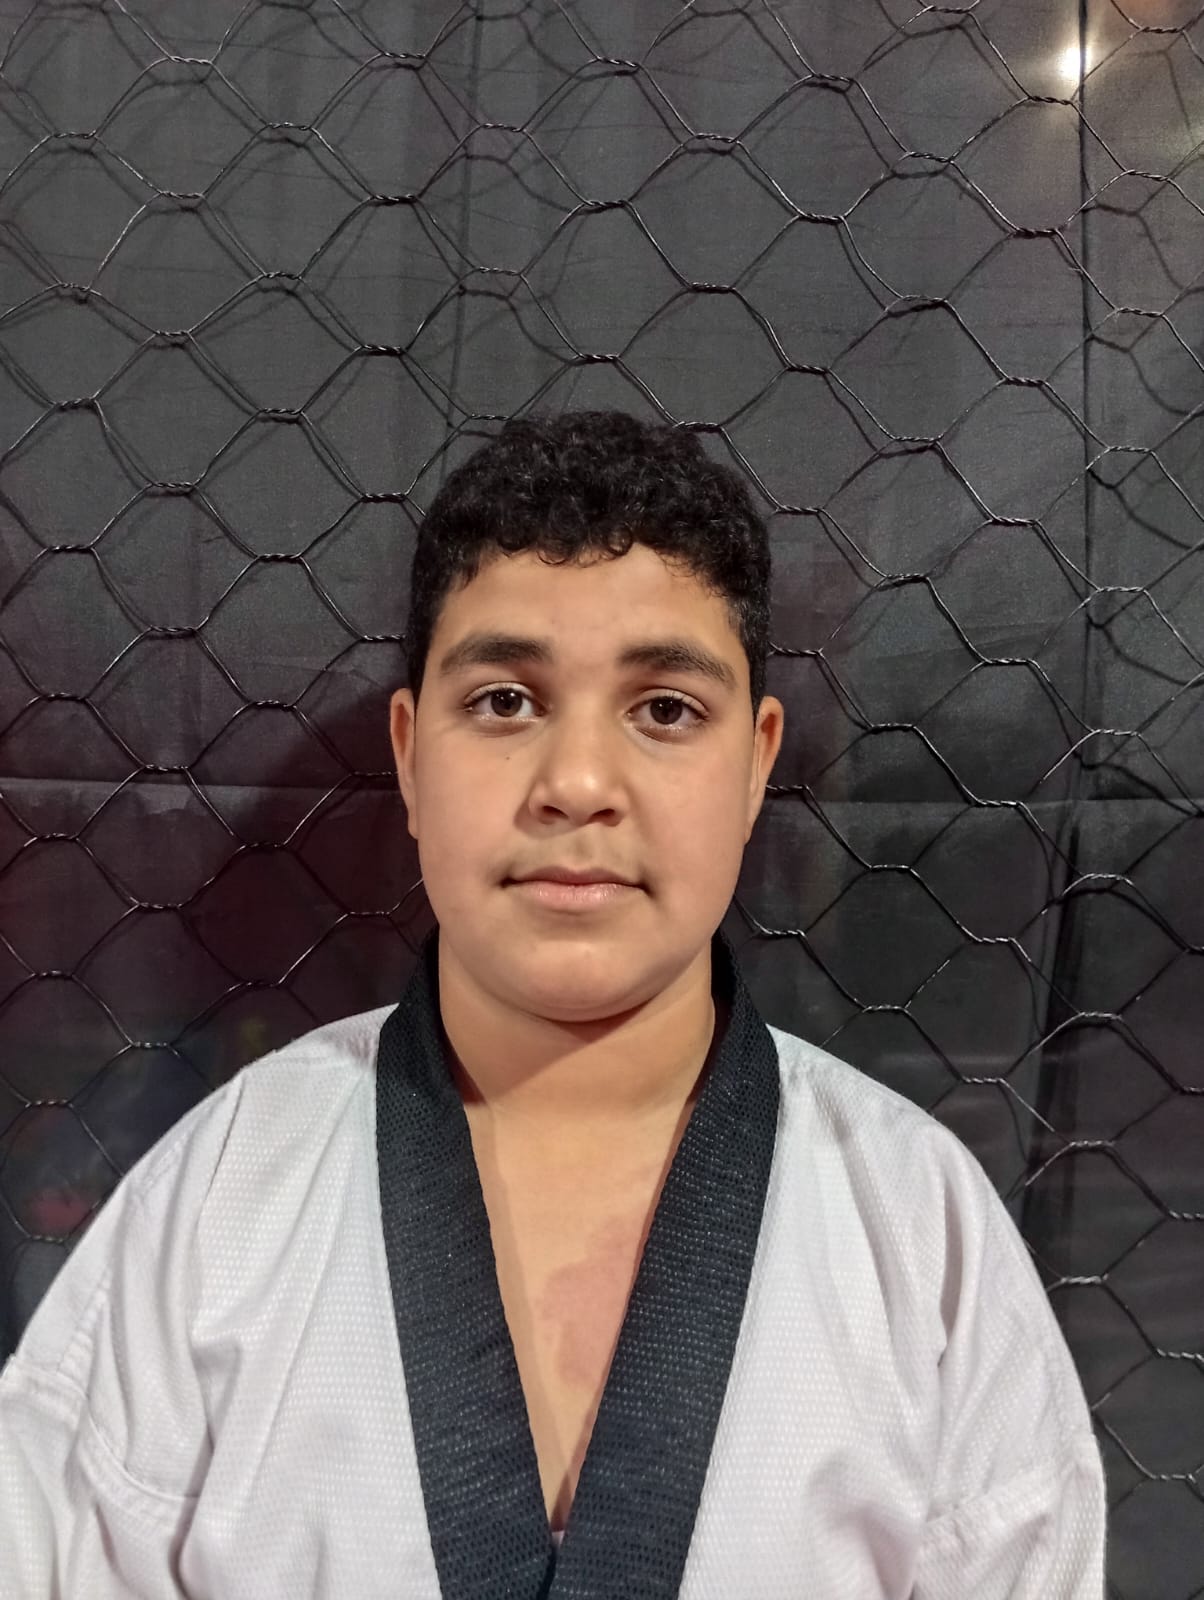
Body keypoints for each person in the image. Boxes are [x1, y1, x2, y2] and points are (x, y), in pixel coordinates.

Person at [0, 410, 1105, 1598]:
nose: (577, 783)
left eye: (665, 709)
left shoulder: (919, 1233)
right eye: (505, 701)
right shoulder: (218, 1203)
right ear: (410, 754)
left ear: (754, 764)